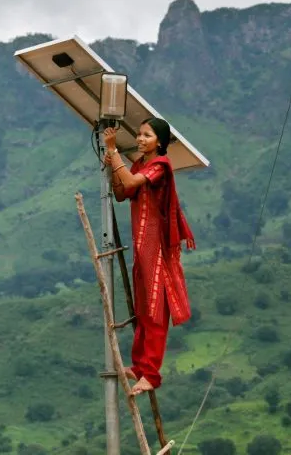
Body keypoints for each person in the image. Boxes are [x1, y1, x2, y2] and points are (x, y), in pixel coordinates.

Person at [103, 117, 196, 395]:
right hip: (143, 246)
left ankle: (151, 375)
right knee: (143, 309)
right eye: (140, 134)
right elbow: (122, 192)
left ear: (160, 142)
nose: (140, 139)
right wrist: (112, 168)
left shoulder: (160, 166)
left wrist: (113, 151)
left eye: (147, 135)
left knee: (155, 312)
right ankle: (141, 367)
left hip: (157, 247)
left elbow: (130, 181)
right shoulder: (140, 164)